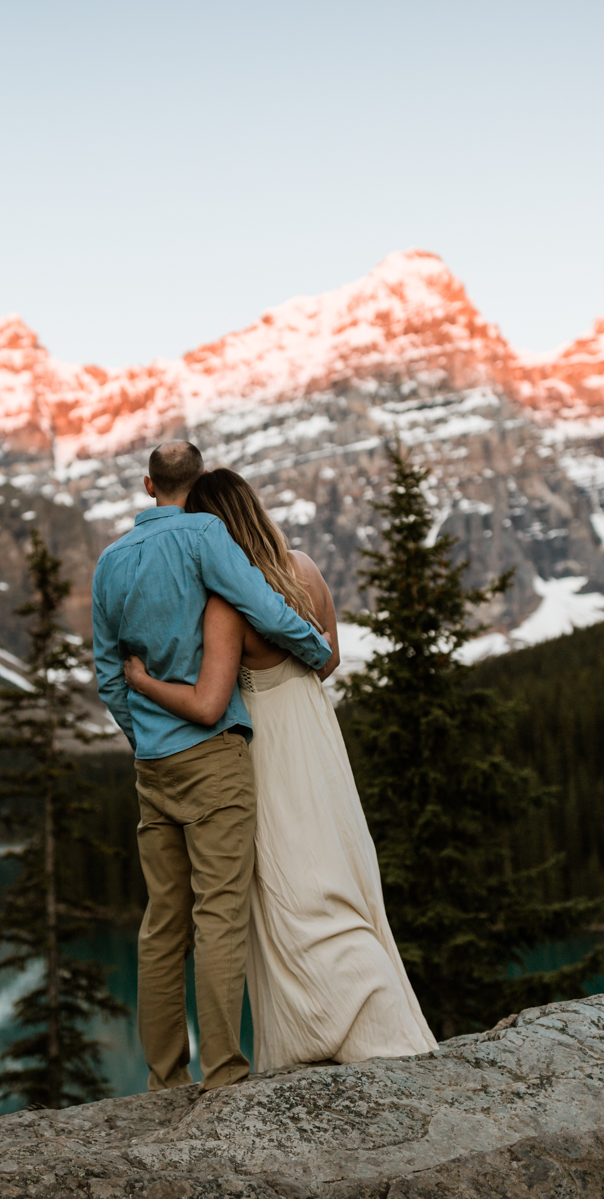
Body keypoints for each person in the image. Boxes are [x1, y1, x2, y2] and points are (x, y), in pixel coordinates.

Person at [120, 467, 437, 1073]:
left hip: (262, 740)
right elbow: (329, 657)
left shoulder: (227, 599)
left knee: (285, 879)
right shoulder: (305, 568)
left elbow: (209, 701)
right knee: (332, 861)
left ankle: (316, 1028)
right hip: (315, 730)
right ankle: (372, 1009)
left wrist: (142, 681)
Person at [92, 442, 331, 1092]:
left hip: (153, 765)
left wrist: (143, 737)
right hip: (213, 758)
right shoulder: (207, 533)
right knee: (219, 914)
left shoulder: (111, 561)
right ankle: (225, 1074)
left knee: (162, 922)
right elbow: (258, 604)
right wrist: (313, 651)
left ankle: (166, 1080)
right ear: (195, 484)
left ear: (148, 485)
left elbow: (108, 675)